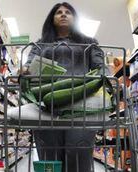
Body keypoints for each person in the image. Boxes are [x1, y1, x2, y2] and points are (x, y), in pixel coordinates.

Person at [21, 2, 109, 172]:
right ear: (52, 19)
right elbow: (29, 65)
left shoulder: (89, 43)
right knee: (49, 155)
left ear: (74, 18)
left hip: (81, 104)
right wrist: (24, 70)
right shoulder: (40, 45)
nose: (63, 14)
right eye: (58, 12)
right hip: (46, 105)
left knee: (78, 153)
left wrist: (107, 77)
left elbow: (101, 67)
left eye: (68, 12)